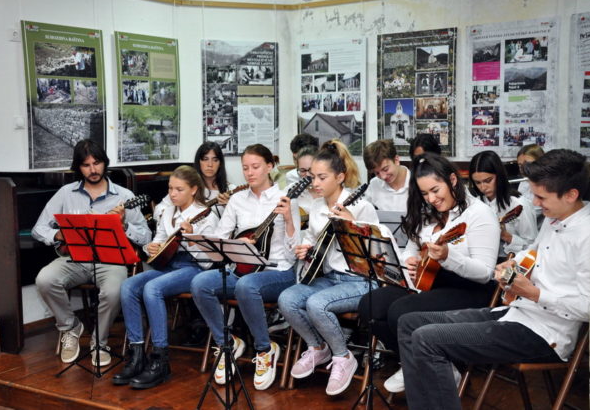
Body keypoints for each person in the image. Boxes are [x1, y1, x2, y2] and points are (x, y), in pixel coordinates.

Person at [397, 149, 590, 410]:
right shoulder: (555, 217)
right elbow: (533, 251)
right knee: (409, 323)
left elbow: (587, 307)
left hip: (545, 333)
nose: (534, 202)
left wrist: (534, 294)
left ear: (571, 195)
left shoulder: (585, 235)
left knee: (426, 339)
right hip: (516, 313)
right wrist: (513, 263)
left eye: (541, 197)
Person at [357, 153, 500, 394]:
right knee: (370, 305)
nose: (431, 199)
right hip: (429, 283)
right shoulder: (428, 211)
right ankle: (418, 361)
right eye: (425, 193)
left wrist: (448, 257)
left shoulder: (479, 213)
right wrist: (409, 260)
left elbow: (485, 273)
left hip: (470, 289)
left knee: (401, 311)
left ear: (452, 180)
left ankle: (430, 363)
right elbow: (411, 248)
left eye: (435, 190)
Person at [278, 140, 385, 396]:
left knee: (317, 304)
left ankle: (343, 356)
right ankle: (318, 347)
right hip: (329, 277)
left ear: (340, 177)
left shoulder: (361, 206)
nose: (315, 183)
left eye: (322, 177)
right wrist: (305, 248)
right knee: (287, 299)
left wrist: (353, 225)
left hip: (360, 280)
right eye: (313, 176)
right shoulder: (317, 206)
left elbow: (379, 253)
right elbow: (311, 241)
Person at [190, 143, 300, 391]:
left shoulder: (285, 200)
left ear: (270, 166)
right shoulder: (237, 200)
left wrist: (289, 220)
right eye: (245, 168)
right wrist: (235, 244)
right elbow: (220, 240)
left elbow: (294, 252)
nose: (249, 173)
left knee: (247, 286)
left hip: (278, 271)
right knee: (200, 283)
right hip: (242, 270)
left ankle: (264, 349)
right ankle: (226, 343)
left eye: (255, 167)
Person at [33, 139, 151, 366]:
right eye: (86, 165)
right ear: (79, 168)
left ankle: (100, 342)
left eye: (97, 163)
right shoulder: (66, 193)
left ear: (105, 163)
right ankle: (70, 327)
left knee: (114, 290)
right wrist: (59, 235)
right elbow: (39, 229)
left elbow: (146, 237)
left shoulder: (124, 196)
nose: (93, 170)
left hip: (111, 260)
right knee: (44, 279)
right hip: (74, 258)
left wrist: (124, 225)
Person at [113, 166, 219, 389]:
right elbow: (158, 241)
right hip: (167, 265)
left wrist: (192, 238)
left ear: (193, 190)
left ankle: (160, 359)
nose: (172, 194)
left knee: (153, 288)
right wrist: (150, 248)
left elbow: (210, 261)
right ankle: (136, 354)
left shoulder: (206, 215)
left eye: (179, 189)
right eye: (170, 188)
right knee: (128, 286)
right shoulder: (168, 211)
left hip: (194, 268)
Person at [469, 151, 537, 258]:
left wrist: (505, 236)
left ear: (499, 175)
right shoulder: (476, 203)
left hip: (512, 261)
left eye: (488, 180)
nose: (483, 187)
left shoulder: (519, 204)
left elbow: (533, 247)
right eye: (477, 182)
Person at [155, 142, 232, 221]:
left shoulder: (231, 189)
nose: (210, 164)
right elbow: (158, 209)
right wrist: (170, 218)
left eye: (215, 160)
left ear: (220, 163)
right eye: (205, 159)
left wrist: (229, 207)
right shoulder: (188, 187)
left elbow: (238, 220)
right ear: (198, 162)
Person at [362, 140, 410, 214]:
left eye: (385, 169)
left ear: (396, 160)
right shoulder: (374, 184)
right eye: (377, 173)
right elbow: (362, 210)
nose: (383, 177)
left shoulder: (419, 182)